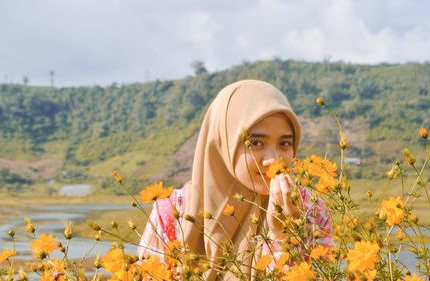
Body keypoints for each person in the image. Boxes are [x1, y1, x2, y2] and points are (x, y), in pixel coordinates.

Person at [138, 80, 333, 280]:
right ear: (222, 144)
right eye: (256, 143)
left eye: (284, 143)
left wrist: (284, 237)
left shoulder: (310, 209)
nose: (273, 159)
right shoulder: (172, 213)